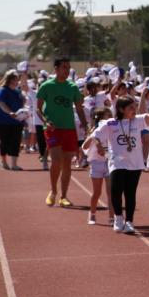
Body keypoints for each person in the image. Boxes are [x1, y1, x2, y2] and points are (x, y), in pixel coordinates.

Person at [93, 95, 149, 233]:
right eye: (131, 107)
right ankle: (118, 217)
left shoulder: (138, 121)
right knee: (116, 190)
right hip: (117, 162)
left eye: (135, 107)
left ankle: (129, 221)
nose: (134, 109)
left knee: (130, 193)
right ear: (121, 109)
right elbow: (96, 135)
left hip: (135, 164)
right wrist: (99, 145)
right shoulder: (111, 123)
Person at [37, 58, 88, 207]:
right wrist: (46, 121)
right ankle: (53, 192)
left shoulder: (72, 87)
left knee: (67, 163)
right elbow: (38, 108)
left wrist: (85, 125)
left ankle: (64, 196)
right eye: (64, 67)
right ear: (56, 69)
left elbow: (79, 109)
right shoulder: (46, 86)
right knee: (56, 160)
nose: (67, 70)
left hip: (69, 129)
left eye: (68, 67)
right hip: (52, 129)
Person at [82, 108, 114, 225]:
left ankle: (112, 217)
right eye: (107, 115)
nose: (110, 117)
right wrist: (95, 140)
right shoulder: (95, 131)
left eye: (111, 114)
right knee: (97, 192)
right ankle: (92, 214)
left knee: (111, 192)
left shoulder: (113, 129)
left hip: (109, 163)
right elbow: (84, 147)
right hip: (97, 163)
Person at [0, 70, 28, 171]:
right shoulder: (3, 90)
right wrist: (10, 112)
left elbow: (22, 104)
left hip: (17, 121)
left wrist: (24, 111)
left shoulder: (18, 91)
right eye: (15, 79)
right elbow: (1, 104)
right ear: (10, 80)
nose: (17, 81)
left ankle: (14, 164)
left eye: (17, 79)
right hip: (4, 122)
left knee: (16, 142)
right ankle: (4, 161)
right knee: (5, 142)